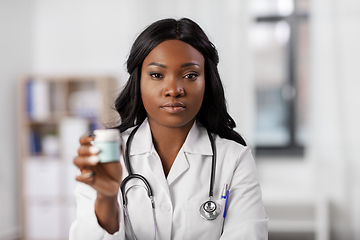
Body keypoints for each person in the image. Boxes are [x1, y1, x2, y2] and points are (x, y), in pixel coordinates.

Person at [70, 18, 268, 240]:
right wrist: (106, 200)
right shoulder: (106, 156)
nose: (174, 90)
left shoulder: (234, 159)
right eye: (157, 75)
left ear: (207, 82)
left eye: (190, 75)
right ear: (138, 81)